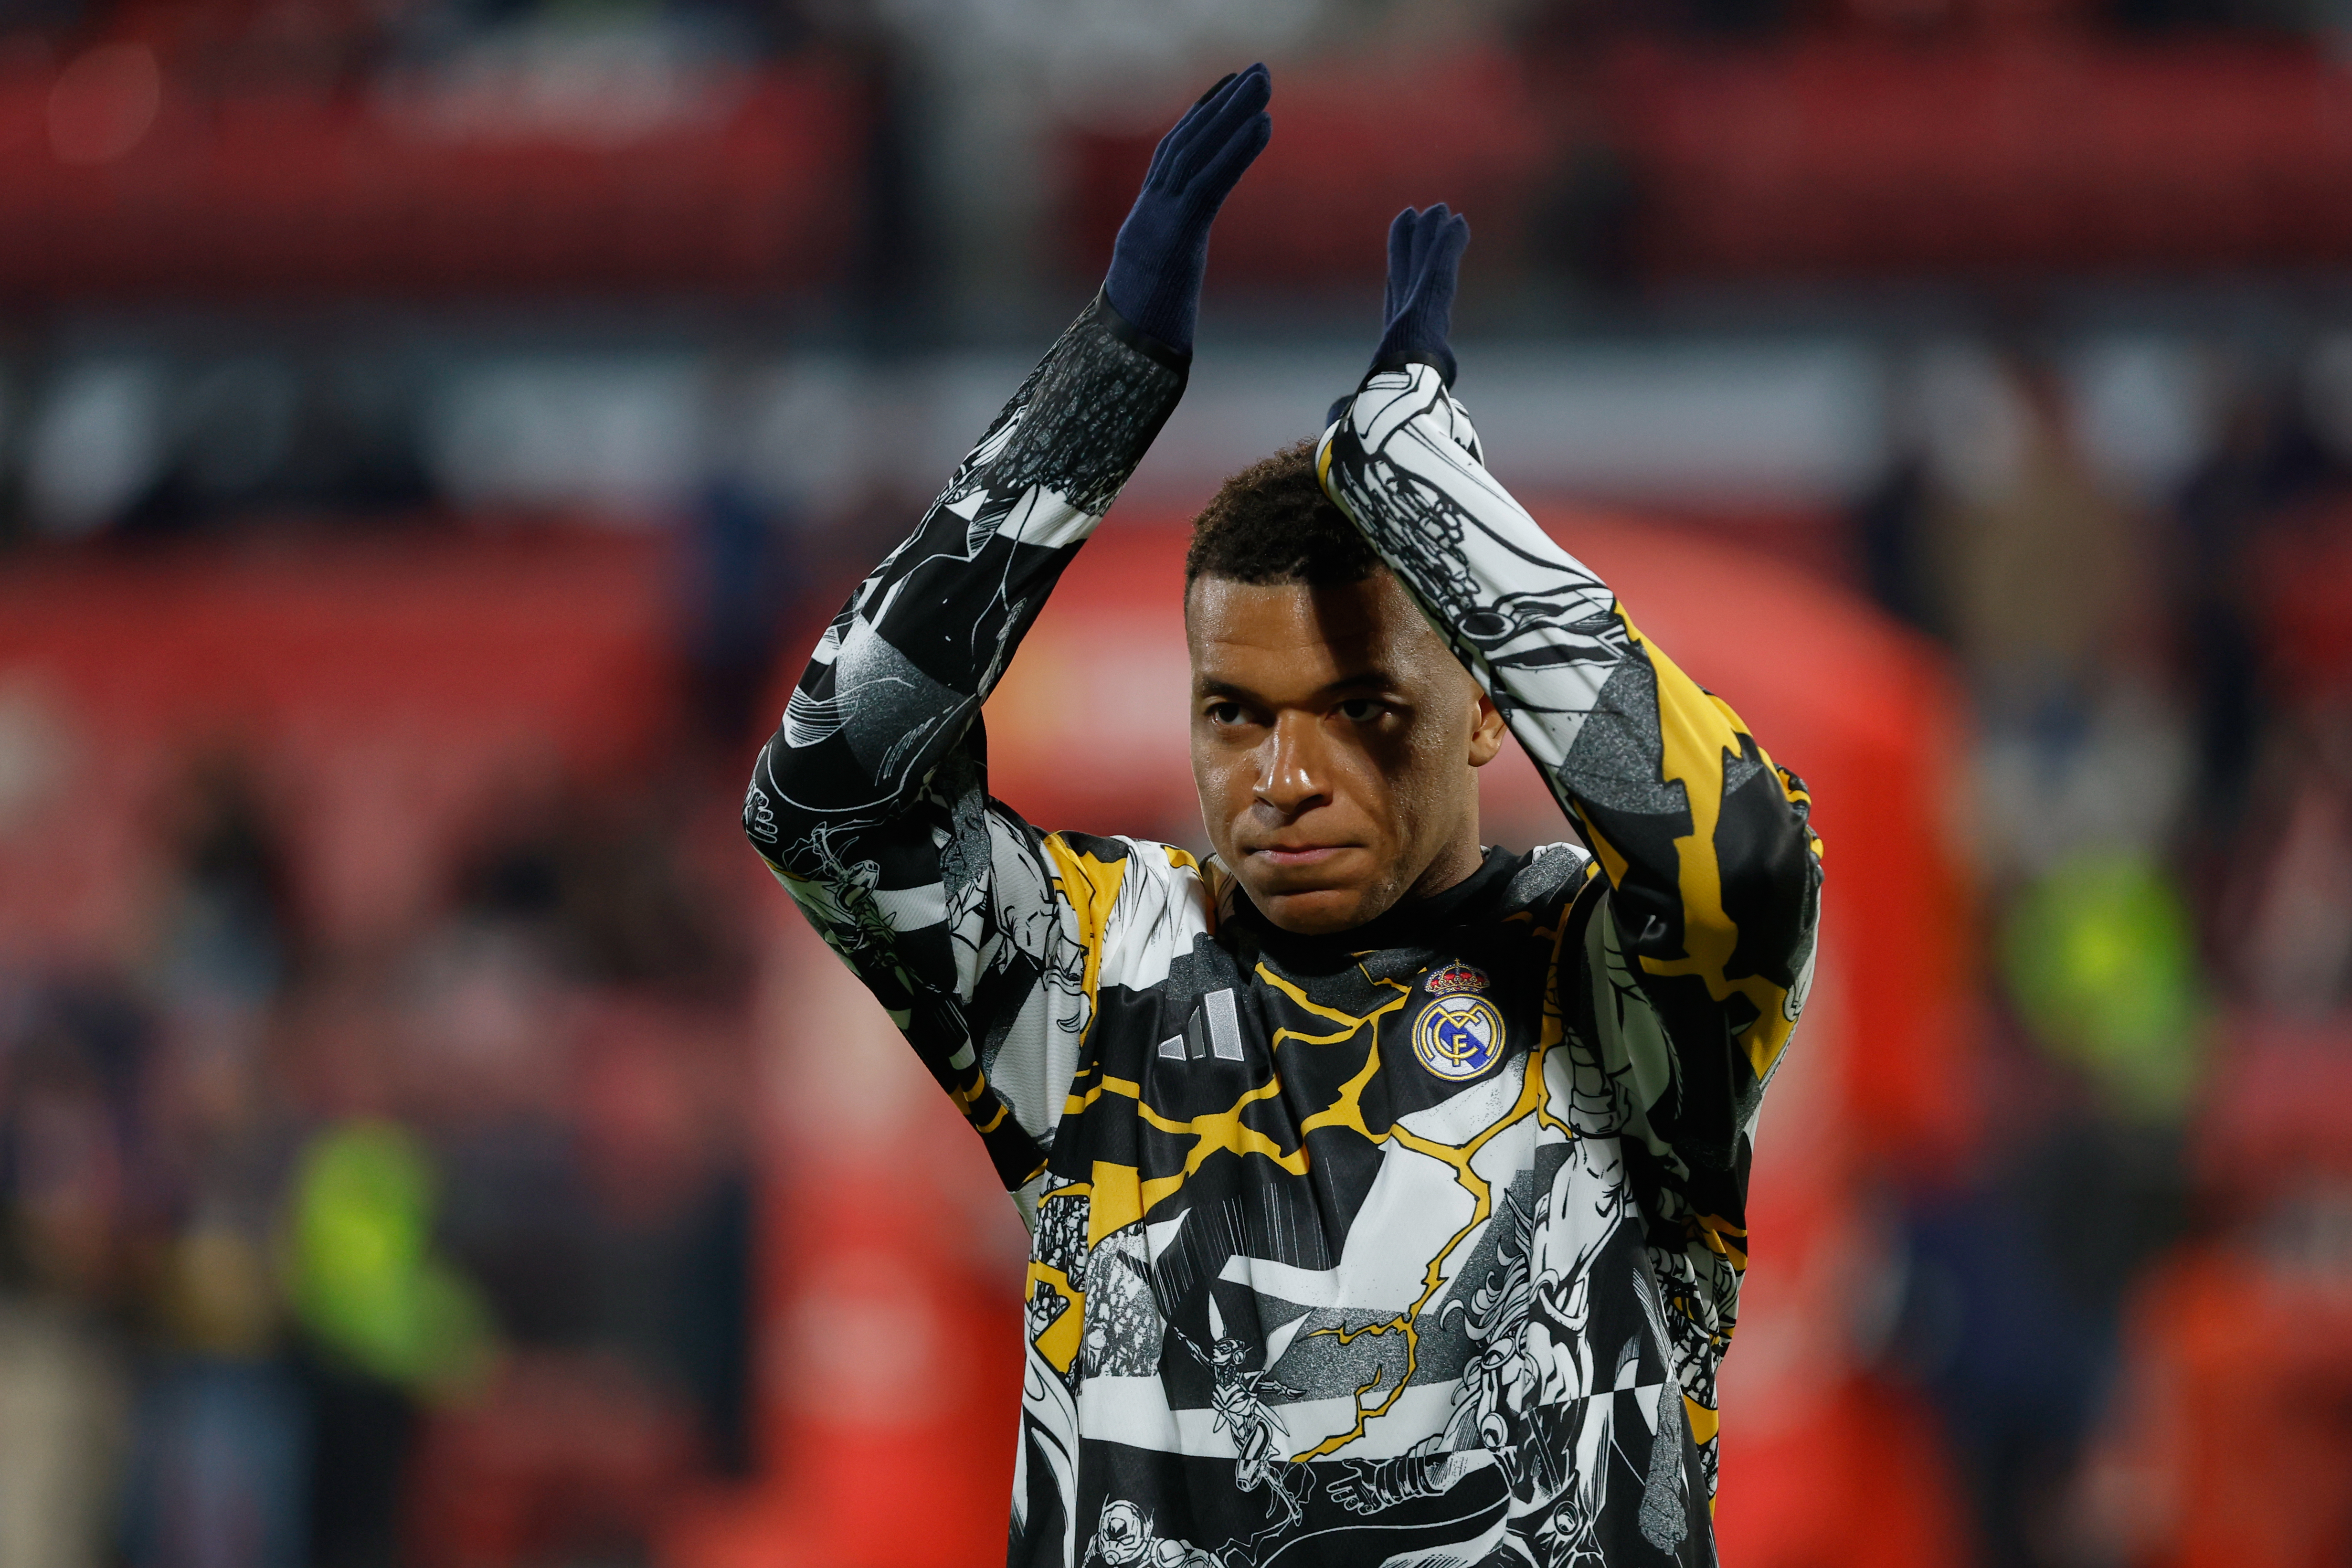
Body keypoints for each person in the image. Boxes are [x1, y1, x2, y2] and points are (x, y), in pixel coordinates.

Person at [743, 64, 1823, 1568]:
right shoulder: (1093, 971)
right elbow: (823, 794)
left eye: (1363, 712)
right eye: (1234, 714)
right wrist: (1098, 397)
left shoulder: (1613, 980)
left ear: (1487, 712)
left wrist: (1423, 480)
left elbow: (1748, 849)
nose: (1285, 777)